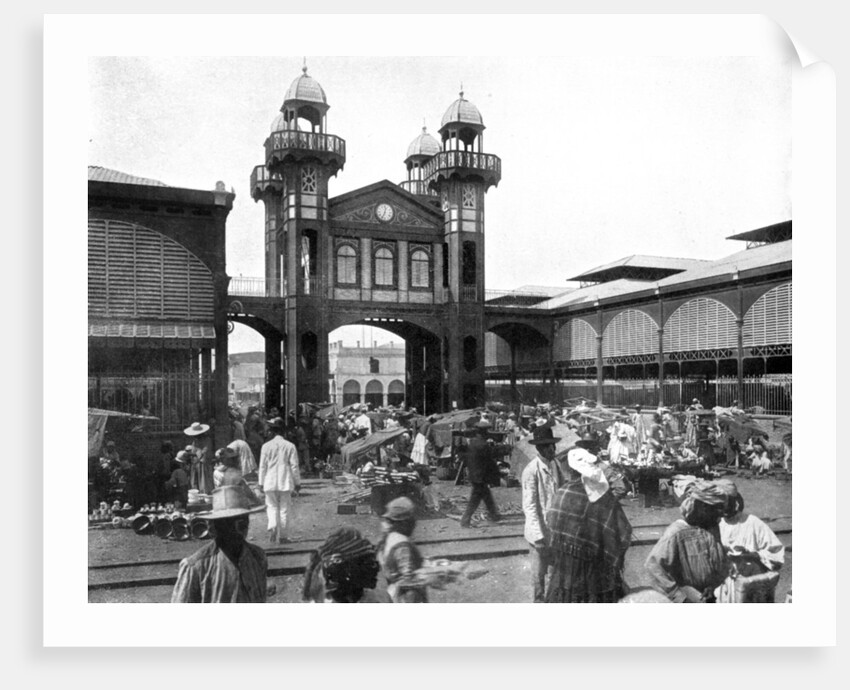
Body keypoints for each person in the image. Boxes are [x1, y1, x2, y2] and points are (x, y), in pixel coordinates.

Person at [544, 439, 633, 602]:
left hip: (566, 565)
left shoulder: (562, 493)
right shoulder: (603, 497)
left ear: (571, 471)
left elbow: (551, 525)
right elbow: (622, 531)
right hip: (596, 566)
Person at [171, 485, 267, 603]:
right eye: (231, 523)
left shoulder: (257, 557)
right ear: (216, 527)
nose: (241, 528)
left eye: (244, 521)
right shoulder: (197, 566)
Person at [644, 480, 730, 602]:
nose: (720, 518)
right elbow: (653, 567)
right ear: (703, 508)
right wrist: (679, 596)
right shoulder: (676, 533)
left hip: (709, 595)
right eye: (716, 511)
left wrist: (713, 586)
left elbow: (720, 562)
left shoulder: (711, 528)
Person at [716, 481, 784, 601]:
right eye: (720, 504)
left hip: (750, 587)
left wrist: (754, 556)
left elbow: (777, 554)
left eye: (727, 503)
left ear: (735, 502)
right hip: (723, 588)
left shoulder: (752, 523)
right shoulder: (716, 524)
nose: (724, 508)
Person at [302, 527, 390, 603]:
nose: (376, 568)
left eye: (373, 562)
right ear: (345, 570)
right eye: (367, 563)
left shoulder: (381, 598)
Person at [521, 424, 558, 602]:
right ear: (540, 448)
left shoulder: (555, 466)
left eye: (554, 445)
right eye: (550, 447)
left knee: (553, 571)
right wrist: (538, 537)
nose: (554, 449)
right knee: (538, 574)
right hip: (539, 532)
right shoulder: (531, 471)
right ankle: (538, 601)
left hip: (553, 529)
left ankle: (550, 601)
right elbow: (530, 506)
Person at [258, 416, 301, 544]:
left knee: (271, 506)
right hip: (285, 481)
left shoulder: (265, 446)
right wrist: (297, 483)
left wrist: (260, 482)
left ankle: (272, 525)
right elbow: (294, 466)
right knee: (284, 508)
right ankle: (283, 536)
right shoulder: (290, 446)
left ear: (272, 431)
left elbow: (262, 466)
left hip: (269, 480)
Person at [377, 497, 428, 603]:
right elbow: (407, 579)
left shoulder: (390, 537)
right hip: (405, 597)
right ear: (405, 522)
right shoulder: (402, 545)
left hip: (393, 591)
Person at [459, 419, 503, 528]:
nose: (488, 433)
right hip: (480, 476)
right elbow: (490, 458)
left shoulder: (474, 442)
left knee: (486, 496)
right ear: (483, 432)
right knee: (475, 499)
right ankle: (465, 519)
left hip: (476, 474)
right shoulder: (482, 444)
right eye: (486, 431)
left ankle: (494, 515)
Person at [184, 422, 214, 494]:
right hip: (195, 464)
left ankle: (205, 494)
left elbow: (204, 452)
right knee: (195, 482)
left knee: (203, 481)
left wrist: (193, 454)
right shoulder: (195, 441)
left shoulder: (207, 440)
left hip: (203, 464)